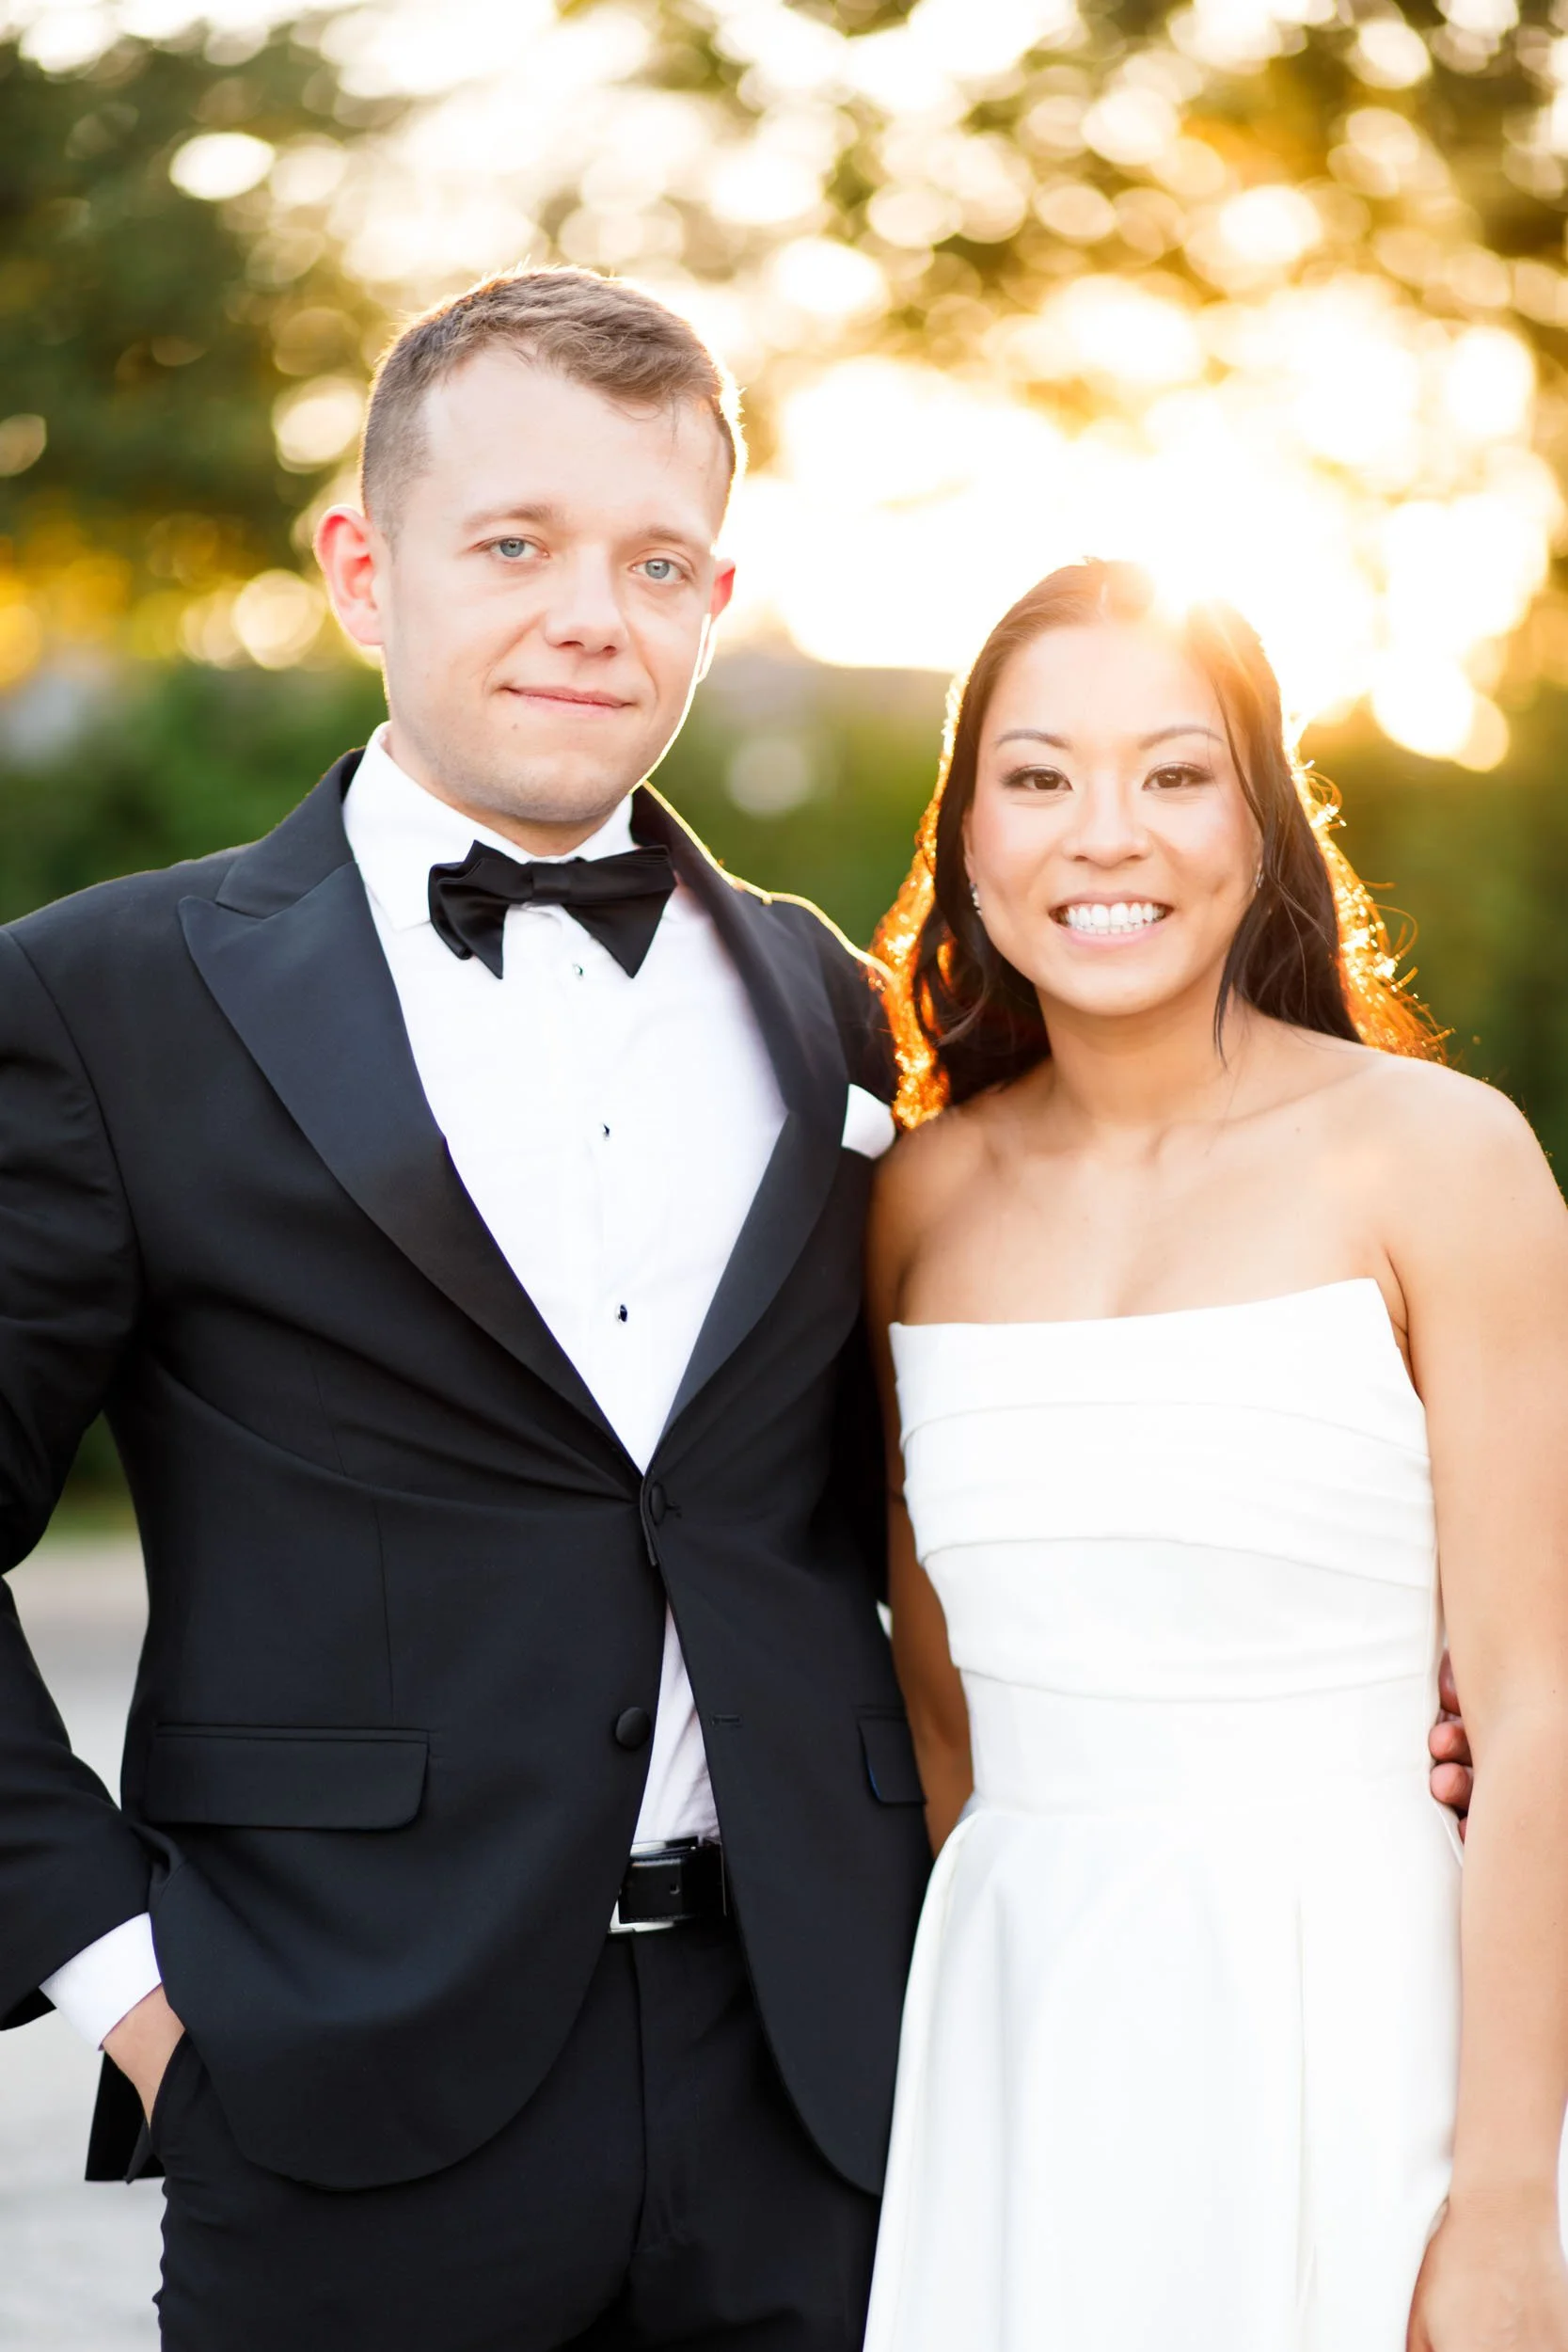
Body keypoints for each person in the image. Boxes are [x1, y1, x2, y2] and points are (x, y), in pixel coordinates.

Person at [0, 266, 933, 2350]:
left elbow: (910, 1496)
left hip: (804, 2080)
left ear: (713, 595)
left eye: (652, 557)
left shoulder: (826, 1003)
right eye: (511, 543)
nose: (588, 610)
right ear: (361, 565)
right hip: (333, 2087)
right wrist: (119, 1982)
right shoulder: (104, 1000)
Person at [862, 561, 1568, 2351]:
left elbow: (1539, 1703)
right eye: (1037, 778)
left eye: (1175, 775)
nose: (1109, 836)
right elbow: (942, 1712)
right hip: (1023, 2036)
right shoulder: (914, 1202)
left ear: (1261, 823)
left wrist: (1500, 2209)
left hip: (1364, 2022)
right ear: (965, 834)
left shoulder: (1439, 1159)